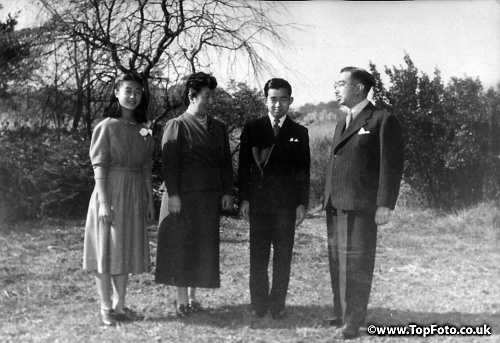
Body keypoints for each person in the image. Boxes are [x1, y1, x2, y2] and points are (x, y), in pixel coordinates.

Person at [322, 67, 404, 339]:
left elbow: (390, 166)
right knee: (338, 261)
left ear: (359, 88)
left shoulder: (382, 120)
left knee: (357, 264)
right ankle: (341, 311)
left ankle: (354, 320)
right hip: (336, 204)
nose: (336, 88)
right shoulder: (341, 121)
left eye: (341, 83)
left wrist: (385, 204)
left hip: (362, 206)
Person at [155, 72, 233, 317]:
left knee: (201, 247)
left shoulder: (218, 128)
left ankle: (192, 298)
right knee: (180, 245)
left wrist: (228, 191)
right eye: (206, 96)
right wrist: (174, 195)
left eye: (213, 96)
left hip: (208, 199)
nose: (211, 101)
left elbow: (225, 164)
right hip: (182, 198)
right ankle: (180, 301)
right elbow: (169, 165)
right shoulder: (176, 125)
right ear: (192, 96)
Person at [83, 72, 155, 326]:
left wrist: (148, 200)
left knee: (124, 250)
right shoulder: (106, 127)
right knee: (106, 251)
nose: (133, 96)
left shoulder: (144, 129)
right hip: (110, 193)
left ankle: (120, 306)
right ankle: (105, 308)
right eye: (128, 91)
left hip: (135, 194)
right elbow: (99, 167)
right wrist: (104, 202)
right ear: (116, 92)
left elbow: (147, 165)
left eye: (138, 91)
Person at [238, 78, 310, 319]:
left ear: (290, 101)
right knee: (258, 257)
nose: (277, 105)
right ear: (265, 100)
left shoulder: (299, 132)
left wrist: (302, 203)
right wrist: (244, 199)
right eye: (272, 99)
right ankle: (259, 304)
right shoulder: (252, 128)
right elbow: (244, 168)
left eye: (282, 99)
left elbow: (303, 171)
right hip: (258, 204)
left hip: (285, 207)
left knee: (282, 257)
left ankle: (277, 304)